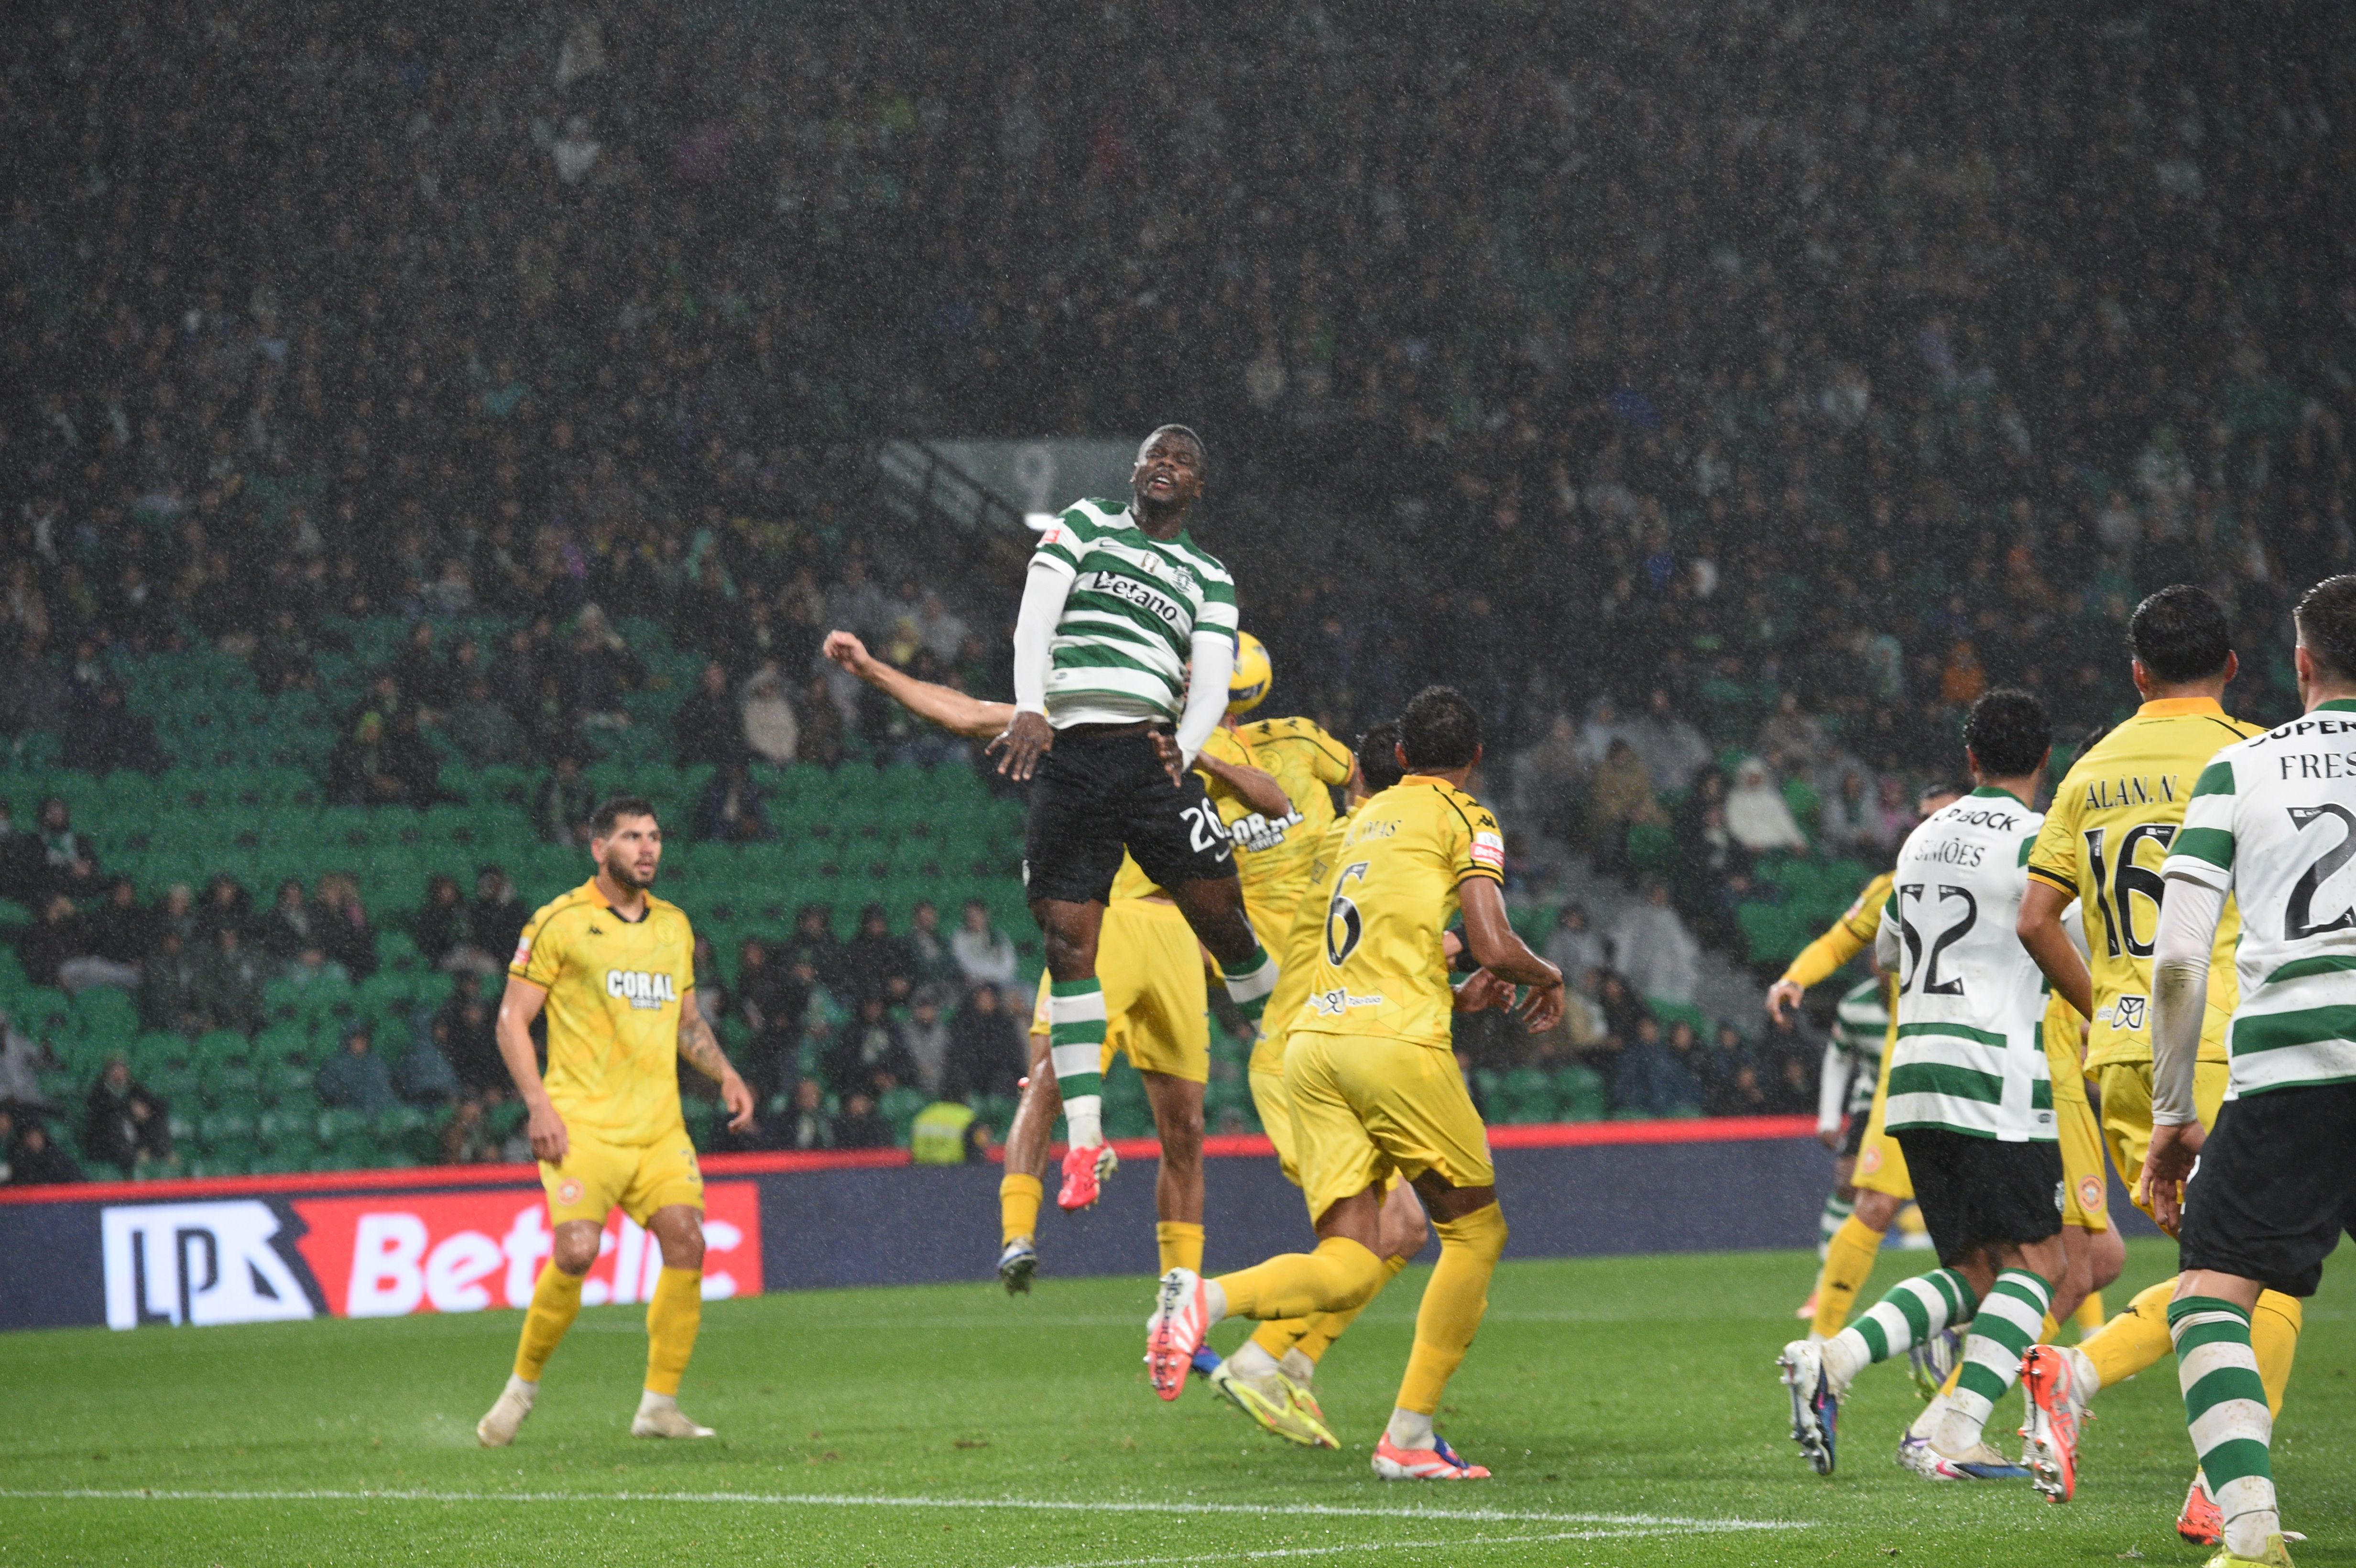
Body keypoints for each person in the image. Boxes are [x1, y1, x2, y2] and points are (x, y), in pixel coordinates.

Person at [1143, 685, 1565, 1481]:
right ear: (1474, 762)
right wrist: (1545, 975)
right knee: (1471, 1234)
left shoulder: (1354, 828)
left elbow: (1385, 942)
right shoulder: (1464, 817)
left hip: (1311, 1047)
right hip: (1385, 1046)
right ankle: (1405, 1436)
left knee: (1357, 1252)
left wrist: (1451, 982)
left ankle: (1206, 1302)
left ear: (1396, 759)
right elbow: (1492, 940)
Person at [2026, 576, 2356, 1560]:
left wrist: (2173, 1111)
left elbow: (2172, 954)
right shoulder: (2221, 744)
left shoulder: (2237, 770)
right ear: (2239, 667)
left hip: (2263, 1057)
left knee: (2218, 1283)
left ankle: (2244, 1521)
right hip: (2248, 1042)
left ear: (2301, 663)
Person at [818, 627, 1272, 1295]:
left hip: (1176, 937)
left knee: (1186, 1124)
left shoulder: (1197, 739)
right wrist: (872, 670)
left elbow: (1272, 803)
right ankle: (1018, 1237)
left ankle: (1180, 1286)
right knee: (1048, 1077)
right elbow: (968, 713)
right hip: (1107, 925)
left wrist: (1208, 761)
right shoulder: (1081, 719)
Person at [986, 426, 1278, 1211]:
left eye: (1183, 460)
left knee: (1223, 922)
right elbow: (1034, 618)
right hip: (1072, 754)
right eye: (1156, 454)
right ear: (1134, 468)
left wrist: (1184, 751)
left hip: (1148, 756)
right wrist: (1028, 705)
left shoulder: (1208, 576)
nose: (1166, 465)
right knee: (1067, 944)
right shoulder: (1082, 522)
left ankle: (1289, 1041)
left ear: (1197, 487)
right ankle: (1084, 1143)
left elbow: (1210, 682)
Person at [1779, 687, 2062, 1483]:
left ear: (1970, 759)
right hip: (1994, 1075)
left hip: (1911, 1076)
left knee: (1976, 1271)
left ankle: (1831, 1359)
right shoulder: (2041, 840)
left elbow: (1886, 962)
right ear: (2045, 760)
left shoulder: (1918, 840)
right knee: (2040, 1266)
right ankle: (1956, 1431)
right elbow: (2061, 938)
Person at [474, 796, 754, 1449]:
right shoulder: (560, 923)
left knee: (687, 1242)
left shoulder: (675, 928)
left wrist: (728, 1075)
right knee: (576, 1252)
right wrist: (538, 1105)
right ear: (599, 848)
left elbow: (686, 1022)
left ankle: (659, 1406)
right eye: (632, 837)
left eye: (655, 836)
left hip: (659, 1131)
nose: (648, 848)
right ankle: (521, 1390)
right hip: (583, 1128)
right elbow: (512, 1018)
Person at [1201, 720, 1426, 1447]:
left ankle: (1284, 1360)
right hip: (1308, 1061)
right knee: (1378, 1235)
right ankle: (1241, 1336)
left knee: (1404, 1228)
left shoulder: (1334, 840)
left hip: (1324, 1050)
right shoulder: (1376, 845)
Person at [1768, 782, 1961, 1340]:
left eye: (1942, 818)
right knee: (1873, 1203)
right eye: (1921, 821)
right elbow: (1837, 942)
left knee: (2005, 1232)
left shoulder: (2010, 872)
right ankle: (1818, 1348)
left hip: (1990, 1066)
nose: (1930, 831)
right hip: (1912, 1065)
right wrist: (1794, 978)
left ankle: (1988, 1345)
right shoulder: (1893, 888)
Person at [82, 1057, 171, 1171]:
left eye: (122, 1068)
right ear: (107, 1072)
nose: (119, 1073)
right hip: (106, 1145)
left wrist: (145, 1110)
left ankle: (161, 1153)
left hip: (134, 1138)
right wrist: (130, 1110)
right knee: (116, 1120)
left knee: (155, 1117)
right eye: (115, 1069)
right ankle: (133, 1158)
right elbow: (105, 1114)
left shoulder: (134, 1089)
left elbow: (159, 1105)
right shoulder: (99, 1092)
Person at [316, 1025, 398, 1114]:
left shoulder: (376, 1062)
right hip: (352, 1111)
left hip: (380, 1109)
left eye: (363, 1040)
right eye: (356, 1040)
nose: (360, 1044)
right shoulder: (336, 1064)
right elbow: (329, 1089)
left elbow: (386, 1089)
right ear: (348, 1042)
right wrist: (350, 1096)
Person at [950, 898, 1017, 989]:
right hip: (975, 984)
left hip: (1002, 982)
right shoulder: (959, 937)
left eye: (976, 915)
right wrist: (987, 975)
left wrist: (993, 977)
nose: (973, 919)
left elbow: (1009, 966)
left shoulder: (998, 936)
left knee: (1027, 992)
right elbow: (966, 965)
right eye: (970, 915)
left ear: (986, 915)